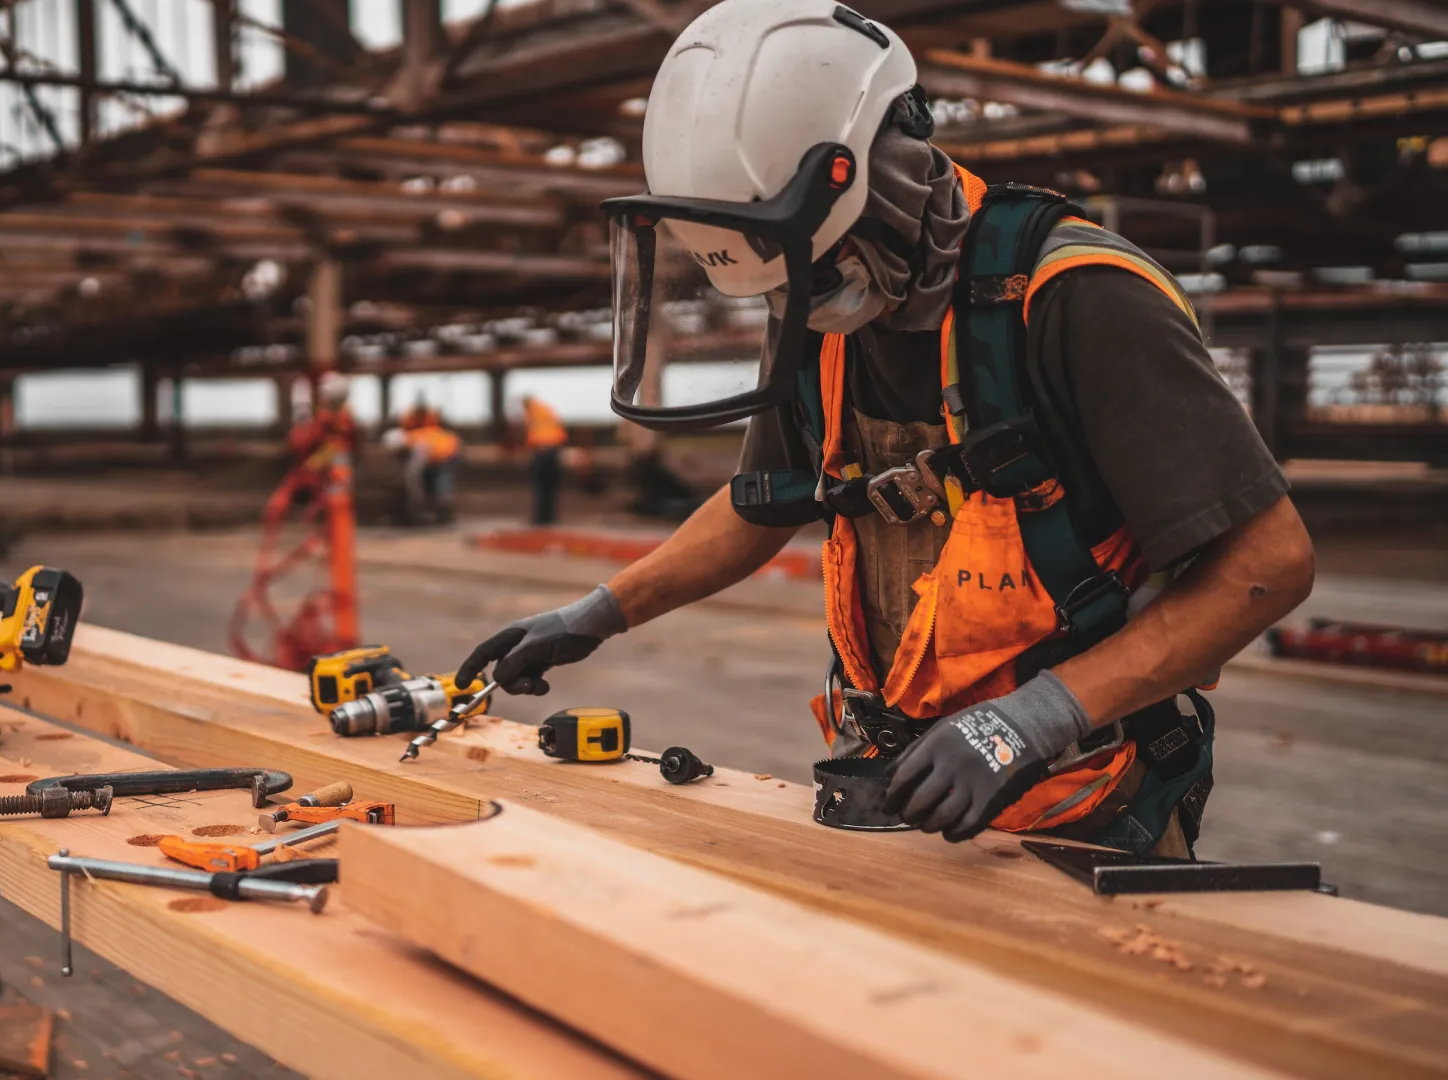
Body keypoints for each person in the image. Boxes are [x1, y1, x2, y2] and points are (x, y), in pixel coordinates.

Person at [456, 0, 1314, 857]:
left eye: (821, 269)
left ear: (884, 180)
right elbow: (764, 503)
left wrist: (1033, 719)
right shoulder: (818, 304)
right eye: (787, 284)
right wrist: (598, 612)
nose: (806, 302)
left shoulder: (1077, 298)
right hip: (892, 785)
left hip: (1081, 797)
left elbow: (1269, 565)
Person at [520, 394, 568, 525]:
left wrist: (528, 451)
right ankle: (550, 518)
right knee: (550, 486)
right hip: (554, 449)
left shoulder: (532, 412)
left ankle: (540, 519)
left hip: (541, 451)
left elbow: (531, 432)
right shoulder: (546, 409)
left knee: (540, 486)